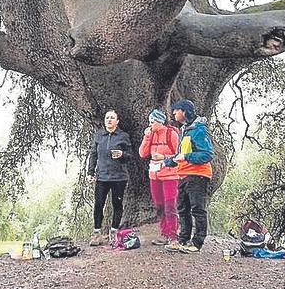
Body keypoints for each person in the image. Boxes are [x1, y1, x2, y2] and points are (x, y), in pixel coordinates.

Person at [163, 99, 213, 254]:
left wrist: (187, 157)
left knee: (197, 209)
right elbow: (181, 155)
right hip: (183, 175)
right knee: (182, 208)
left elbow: (207, 154)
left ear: (184, 111)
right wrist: (167, 161)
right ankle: (182, 239)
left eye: (176, 111)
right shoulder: (185, 130)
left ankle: (197, 243)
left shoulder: (199, 130)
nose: (173, 114)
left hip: (198, 175)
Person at [86, 110, 132, 246]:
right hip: (102, 177)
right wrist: (90, 173)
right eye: (107, 118)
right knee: (98, 205)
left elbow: (130, 156)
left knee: (117, 205)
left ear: (117, 121)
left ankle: (114, 233)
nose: (109, 120)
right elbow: (93, 154)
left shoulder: (123, 136)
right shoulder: (99, 135)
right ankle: (97, 234)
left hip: (119, 177)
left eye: (112, 118)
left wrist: (122, 154)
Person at [139, 108, 181, 246]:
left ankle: (173, 235)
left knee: (170, 205)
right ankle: (164, 233)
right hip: (154, 175)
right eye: (150, 122)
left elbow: (180, 155)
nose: (150, 124)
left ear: (160, 122)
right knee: (159, 205)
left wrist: (164, 157)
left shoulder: (171, 134)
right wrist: (147, 136)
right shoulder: (151, 134)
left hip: (170, 175)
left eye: (152, 122)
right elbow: (142, 153)